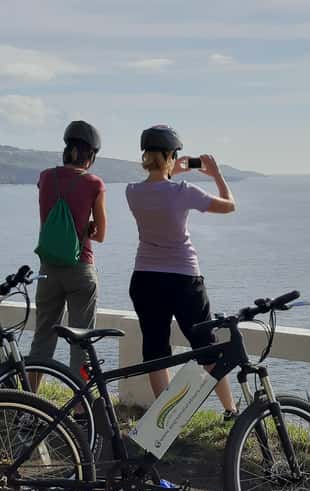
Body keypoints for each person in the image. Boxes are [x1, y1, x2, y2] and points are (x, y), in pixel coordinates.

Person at [125, 125, 238, 415]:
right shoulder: (183, 191)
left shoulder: (132, 192)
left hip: (145, 278)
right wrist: (216, 175)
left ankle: (165, 420)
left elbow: (158, 187)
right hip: (184, 279)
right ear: (171, 155)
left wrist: (172, 170)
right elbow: (229, 206)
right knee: (206, 347)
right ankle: (230, 410)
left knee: (155, 350)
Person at [28, 120, 107, 374]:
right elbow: (101, 235)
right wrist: (90, 227)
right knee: (81, 345)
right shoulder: (94, 184)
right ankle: (80, 408)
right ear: (91, 155)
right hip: (80, 267)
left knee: (42, 338)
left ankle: (27, 406)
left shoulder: (45, 177)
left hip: (47, 268)